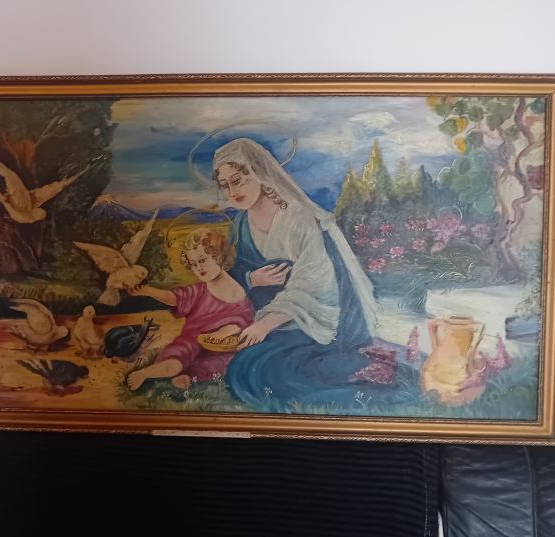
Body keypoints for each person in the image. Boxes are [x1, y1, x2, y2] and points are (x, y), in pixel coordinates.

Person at [213, 137, 418, 412]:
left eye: (238, 180)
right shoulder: (240, 224)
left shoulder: (296, 217)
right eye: (225, 185)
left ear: (258, 172)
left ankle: (371, 371)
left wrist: (266, 325)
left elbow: (314, 282)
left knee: (267, 372)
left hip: (313, 326)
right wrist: (252, 279)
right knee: (244, 368)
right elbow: (231, 274)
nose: (232, 191)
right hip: (270, 325)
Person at [126, 228, 254, 392]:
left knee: (221, 363)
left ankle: (186, 376)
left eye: (202, 260)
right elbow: (174, 298)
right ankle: (146, 373)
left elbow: (243, 320)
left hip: (220, 347)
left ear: (219, 257)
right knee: (179, 354)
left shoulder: (239, 292)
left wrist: (225, 331)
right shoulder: (199, 290)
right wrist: (148, 291)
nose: (198, 267)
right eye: (193, 264)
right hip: (192, 339)